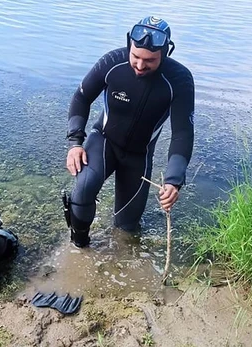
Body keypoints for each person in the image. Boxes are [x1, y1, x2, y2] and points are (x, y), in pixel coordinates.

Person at [63, 16, 195, 248]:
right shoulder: (113, 63)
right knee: (82, 190)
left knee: (127, 229)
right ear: (128, 46)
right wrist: (75, 143)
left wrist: (174, 181)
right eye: (135, 57)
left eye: (150, 60)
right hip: (103, 141)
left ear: (166, 53)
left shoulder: (179, 80)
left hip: (139, 156)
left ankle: (122, 261)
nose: (140, 66)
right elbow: (81, 98)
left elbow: (182, 133)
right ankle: (79, 247)